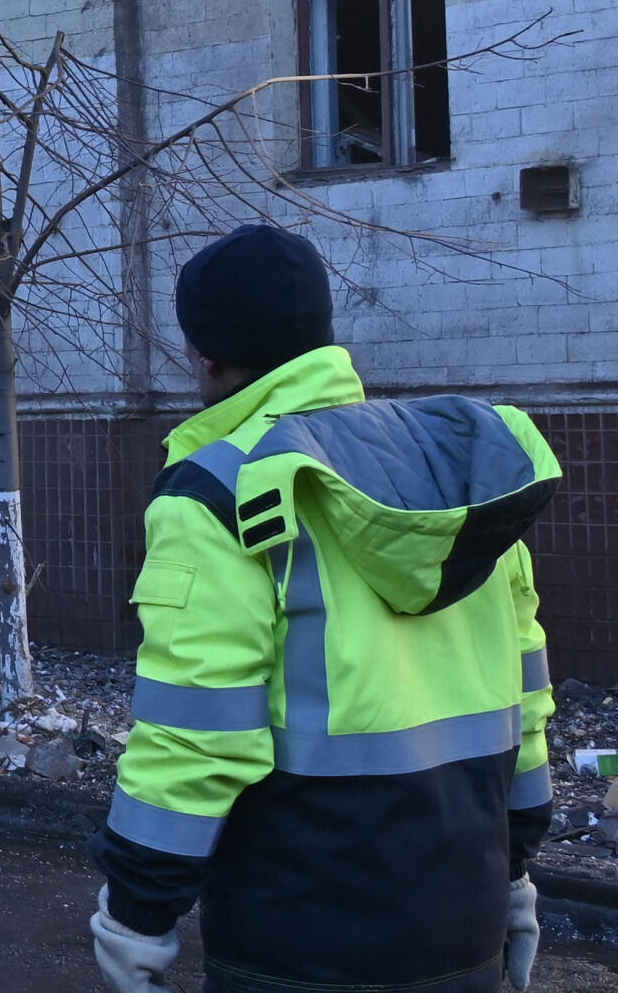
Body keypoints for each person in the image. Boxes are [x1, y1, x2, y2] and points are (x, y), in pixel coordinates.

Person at [92, 224, 558, 993]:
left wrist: (136, 919)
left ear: (204, 355)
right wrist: (514, 876)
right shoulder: (464, 477)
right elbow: (528, 705)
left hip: (298, 946)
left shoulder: (217, 494)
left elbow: (194, 739)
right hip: (464, 927)